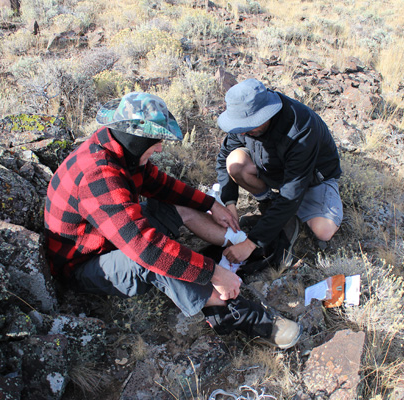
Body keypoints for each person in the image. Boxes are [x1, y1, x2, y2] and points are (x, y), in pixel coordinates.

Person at [44, 92, 301, 349]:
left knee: (176, 207)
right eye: (155, 141)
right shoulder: (98, 175)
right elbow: (146, 248)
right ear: (135, 137)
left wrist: (210, 204)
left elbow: (159, 185)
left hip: (106, 236)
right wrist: (213, 273)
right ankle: (231, 313)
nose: (160, 148)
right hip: (84, 264)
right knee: (152, 258)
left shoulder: (120, 149)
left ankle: (237, 246)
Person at [216, 79, 343, 265]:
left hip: (311, 178)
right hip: (274, 169)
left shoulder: (301, 128)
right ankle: (269, 202)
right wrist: (230, 204)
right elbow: (223, 157)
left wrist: (251, 243)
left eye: (249, 127)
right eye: (241, 128)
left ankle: (289, 213)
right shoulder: (244, 124)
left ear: (266, 113)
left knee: (323, 231)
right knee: (235, 162)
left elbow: (292, 192)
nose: (242, 134)